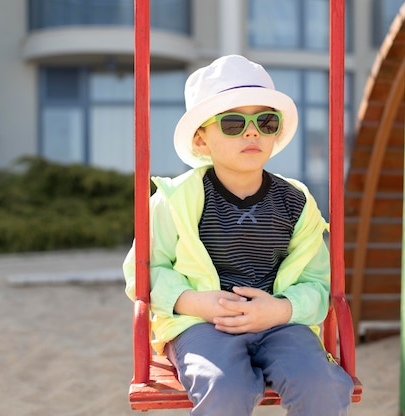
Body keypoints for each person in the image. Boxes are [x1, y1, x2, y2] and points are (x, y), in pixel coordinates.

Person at [123, 54, 354, 416]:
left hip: (277, 321)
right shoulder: (175, 200)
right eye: (232, 123)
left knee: (321, 384)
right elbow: (143, 271)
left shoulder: (295, 201)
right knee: (222, 385)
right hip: (202, 324)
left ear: (275, 132)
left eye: (265, 121)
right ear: (201, 140)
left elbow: (317, 282)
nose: (251, 132)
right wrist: (194, 302)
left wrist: (281, 309)